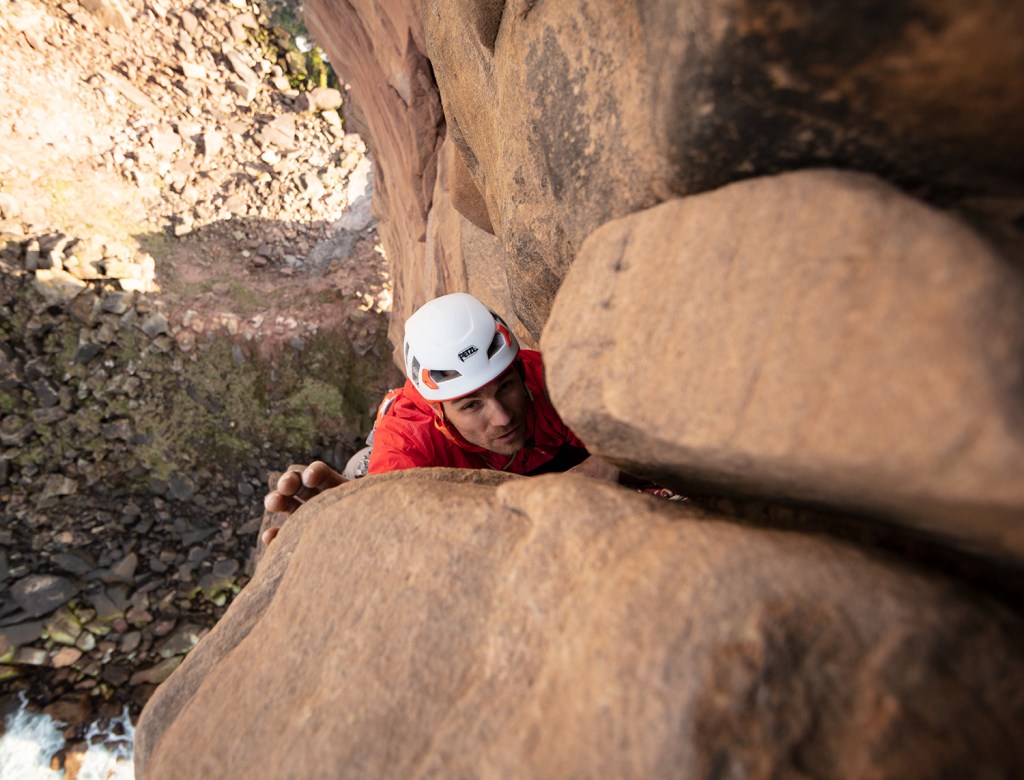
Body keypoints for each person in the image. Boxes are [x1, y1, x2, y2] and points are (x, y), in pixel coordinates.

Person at [262, 293, 619, 543]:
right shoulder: (409, 439)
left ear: (517, 372)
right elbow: (389, 517)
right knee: (365, 467)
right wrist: (359, 513)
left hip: (525, 467)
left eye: (505, 387)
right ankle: (361, 467)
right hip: (415, 460)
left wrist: (606, 463)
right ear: (439, 411)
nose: (503, 417)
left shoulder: (540, 377)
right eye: (471, 405)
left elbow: (625, 424)